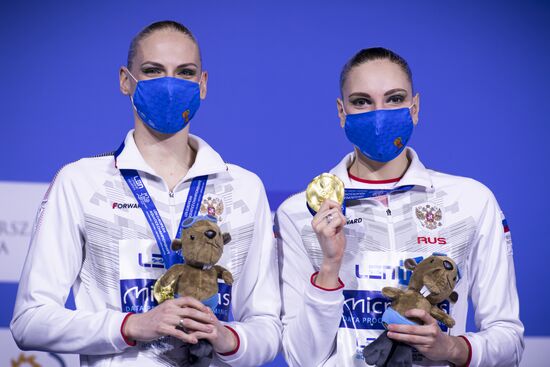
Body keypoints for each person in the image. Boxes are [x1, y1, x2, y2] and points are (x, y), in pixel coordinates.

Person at [10, 20, 281, 367]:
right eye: (153, 71)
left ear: (203, 85)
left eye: (185, 72)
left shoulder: (244, 188)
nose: (170, 86)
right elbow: (30, 321)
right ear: (126, 80)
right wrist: (132, 325)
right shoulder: (80, 182)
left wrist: (226, 337)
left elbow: (267, 329)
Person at [275, 47, 524, 367]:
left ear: (415, 108)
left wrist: (452, 348)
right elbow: (301, 359)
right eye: (362, 101)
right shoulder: (299, 213)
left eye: (394, 99)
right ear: (342, 112)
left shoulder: (471, 201)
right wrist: (330, 267)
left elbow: (509, 341)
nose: (379, 114)